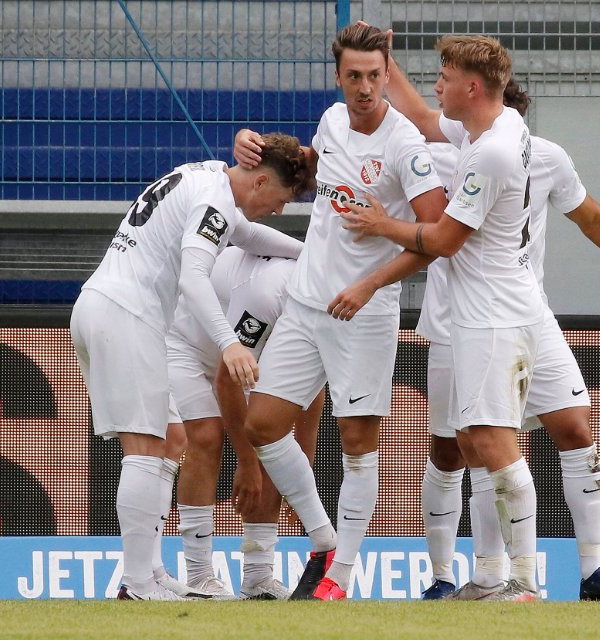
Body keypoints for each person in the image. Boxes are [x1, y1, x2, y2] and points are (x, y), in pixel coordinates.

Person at [395, 74, 600, 600]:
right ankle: (457, 577)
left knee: (573, 429)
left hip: (526, 316)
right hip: (457, 324)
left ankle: (590, 573)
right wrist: (385, 62)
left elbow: (590, 215)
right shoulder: (450, 153)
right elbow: (420, 118)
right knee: (457, 450)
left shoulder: (542, 157)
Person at [233, 22, 448, 601]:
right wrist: (253, 148)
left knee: (357, 442)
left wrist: (374, 268)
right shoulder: (330, 122)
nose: (364, 87)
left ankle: (341, 576)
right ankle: (325, 540)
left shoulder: (406, 147)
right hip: (306, 304)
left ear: (386, 73)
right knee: (262, 426)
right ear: (339, 76)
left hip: (365, 312)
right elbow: (307, 176)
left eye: (374, 76)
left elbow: (439, 235)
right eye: (353, 76)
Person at [340, 34, 545, 601]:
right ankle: (491, 578)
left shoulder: (492, 153)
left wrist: (383, 226)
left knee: (492, 441)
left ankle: (523, 583)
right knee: (476, 441)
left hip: (492, 313)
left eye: (445, 75)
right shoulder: (493, 127)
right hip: (491, 310)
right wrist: (388, 65)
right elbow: (426, 118)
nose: (437, 86)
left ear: (471, 87)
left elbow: (447, 240)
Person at [70, 133, 314, 601]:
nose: (280, 210)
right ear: (260, 181)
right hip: (127, 314)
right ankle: (137, 584)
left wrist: (315, 260)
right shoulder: (217, 203)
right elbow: (193, 277)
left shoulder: (205, 174)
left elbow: (246, 235)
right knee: (144, 448)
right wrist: (230, 344)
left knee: (172, 440)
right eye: (280, 199)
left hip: (105, 307)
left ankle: (153, 573)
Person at [166, 246, 325, 599]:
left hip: (245, 359)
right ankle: (198, 577)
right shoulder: (271, 295)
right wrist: (246, 462)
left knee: (272, 440)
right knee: (206, 437)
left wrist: (299, 483)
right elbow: (226, 380)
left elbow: (310, 396)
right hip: (188, 347)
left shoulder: (327, 308)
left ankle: (258, 579)